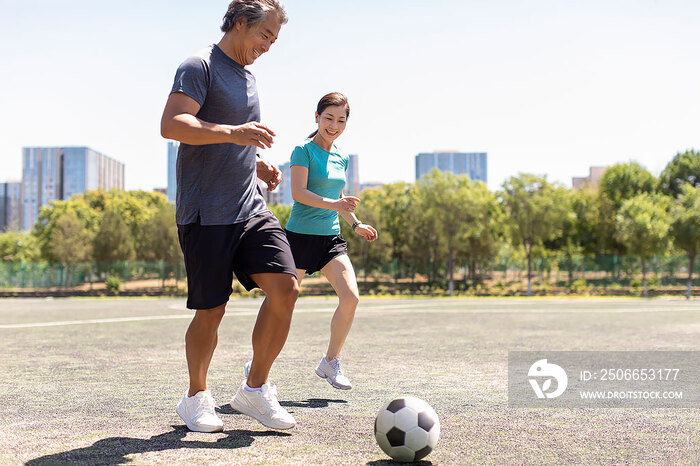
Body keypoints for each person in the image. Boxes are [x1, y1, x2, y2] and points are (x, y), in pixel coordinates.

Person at [160, 0, 299, 432]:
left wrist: (254, 161)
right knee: (212, 310)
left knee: (287, 288)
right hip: (207, 211)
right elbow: (173, 124)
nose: (269, 46)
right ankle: (196, 397)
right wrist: (234, 133)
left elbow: (232, 141)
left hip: (250, 205)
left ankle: (254, 391)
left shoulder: (249, 77)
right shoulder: (198, 66)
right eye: (265, 35)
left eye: (274, 40)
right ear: (240, 23)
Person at [285, 92, 377, 389]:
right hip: (299, 237)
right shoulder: (303, 150)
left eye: (341, 120)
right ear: (317, 117)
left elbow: (340, 199)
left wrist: (356, 223)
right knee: (281, 304)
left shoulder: (342, 156)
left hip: (330, 238)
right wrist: (336, 206)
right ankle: (260, 362)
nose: (334, 125)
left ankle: (330, 362)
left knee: (351, 298)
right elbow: (299, 193)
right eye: (329, 118)